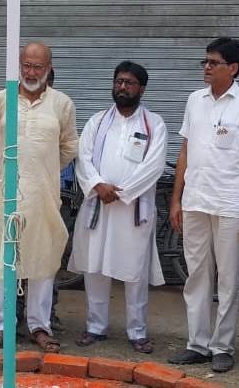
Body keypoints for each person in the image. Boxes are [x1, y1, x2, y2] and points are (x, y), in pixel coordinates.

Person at [168, 37, 239, 373]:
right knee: (196, 276)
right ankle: (197, 344)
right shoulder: (194, 100)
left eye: (214, 62)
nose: (207, 67)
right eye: (206, 62)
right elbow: (184, 151)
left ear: (233, 68)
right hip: (195, 200)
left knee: (228, 278)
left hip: (231, 203)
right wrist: (176, 198)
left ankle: (222, 346)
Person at [0, 42, 77, 354]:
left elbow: (68, 146)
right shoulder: (1, 100)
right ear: (18, 65)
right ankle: (0, 326)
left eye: (38, 66)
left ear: (49, 68)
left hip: (43, 196)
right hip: (4, 194)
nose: (31, 72)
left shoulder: (62, 103)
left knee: (43, 262)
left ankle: (39, 325)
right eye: (26, 65)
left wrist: (42, 170)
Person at [69, 61, 168, 355]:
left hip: (132, 208)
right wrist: (98, 185)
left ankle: (137, 331)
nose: (122, 87)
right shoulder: (97, 121)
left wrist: (122, 193)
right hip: (99, 204)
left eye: (129, 83)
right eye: (119, 81)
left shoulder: (153, 124)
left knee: (134, 272)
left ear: (142, 89)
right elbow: (83, 158)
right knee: (95, 267)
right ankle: (95, 326)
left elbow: (154, 166)